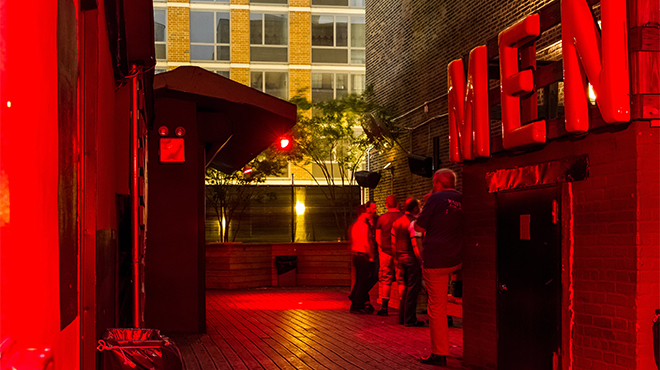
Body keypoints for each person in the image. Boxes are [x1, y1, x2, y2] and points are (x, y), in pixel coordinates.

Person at [415, 169, 464, 366]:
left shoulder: (435, 199)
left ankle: (439, 353)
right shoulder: (464, 199)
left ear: (437, 182)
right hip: (459, 258)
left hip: (436, 259)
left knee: (437, 307)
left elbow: (419, 228)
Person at [391, 198, 424, 326]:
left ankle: (402, 317)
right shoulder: (413, 223)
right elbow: (415, 244)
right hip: (411, 259)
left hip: (401, 258)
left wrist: (396, 259)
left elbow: (393, 243)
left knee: (405, 289)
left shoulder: (397, 222)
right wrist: (421, 261)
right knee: (412, 289)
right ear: (415, 208)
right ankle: (410, 319)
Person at [374, 195, 402, 316]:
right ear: (398, 204)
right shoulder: (403, 217)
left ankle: (384, 307)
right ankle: (402, 307)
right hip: (400, 252)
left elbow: (377, 238)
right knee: (401, 279)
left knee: (386, 279)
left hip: (385, 252)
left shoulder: (382, 219)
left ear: (386, 205)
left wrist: (383, 249)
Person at [348, 204, 375, 314]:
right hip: (363, 255)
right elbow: (366, 242)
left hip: (356, 255)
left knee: (359, 280)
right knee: (363, 281)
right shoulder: (363, 226)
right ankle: (358, 303)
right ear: (362, 213)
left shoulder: (354, 225)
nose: (370, 214)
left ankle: (355, 301)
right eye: (368, 212)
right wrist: (371, 256)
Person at [363, 200, 379, 313]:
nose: (374, 210)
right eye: (373, 208)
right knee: (367, 276)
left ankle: (361, 293)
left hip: (377, 251)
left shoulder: (378, 220)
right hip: (367, 253)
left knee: (375, 275)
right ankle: (364, 298)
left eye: (375, 208)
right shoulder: (364, 223)